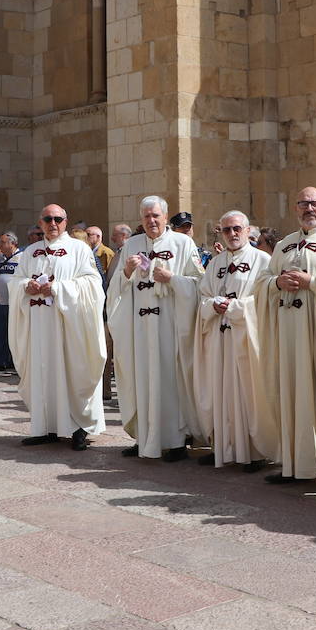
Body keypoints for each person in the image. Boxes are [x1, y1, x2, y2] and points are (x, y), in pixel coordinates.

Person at [257, 188, 316, 492]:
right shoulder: (285, 245)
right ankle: (295, 466)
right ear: (295, 208)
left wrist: (313, 282)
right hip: (288, 335)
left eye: (314, 203)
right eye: (303, 203)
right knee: (290, 395)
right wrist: (276, 282)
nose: (308, 208)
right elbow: (261, 281)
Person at [108, 195, 205, 461]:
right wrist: (126, 273)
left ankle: (174, 441)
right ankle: (145, 437)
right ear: (141, 219)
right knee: (141, 377)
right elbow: (115, 288)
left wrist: (172, 279)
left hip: (169, 326)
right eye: (146, 216)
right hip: (140, 325)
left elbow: (200, 284)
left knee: (169, 380)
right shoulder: (132, 245)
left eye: (156, 216)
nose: (151, 220)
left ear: (165, 216)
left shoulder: (183, 243)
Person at [9, 204, 107, 450]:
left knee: (71, 372)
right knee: (42, 373)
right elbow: (15, 281)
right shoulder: (30, 252)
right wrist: (25, 286)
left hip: (67, 326)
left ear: (65, 221)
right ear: (40, 223)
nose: (53, 223)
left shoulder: (79, 249)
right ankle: (47, 427)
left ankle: (77, 428)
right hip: (39, 326)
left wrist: (59, 288)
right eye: (47, 219)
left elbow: (93, 284)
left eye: (58, 219)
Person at [192, 210, 272, 469]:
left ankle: (254, 452)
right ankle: (223, 447)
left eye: (237, 228)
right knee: (221, 393)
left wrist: (236, 308)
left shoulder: (263, 261)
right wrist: (211, 306)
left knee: (248, 393)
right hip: (220, 340)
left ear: (248, 230)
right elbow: (203, 296)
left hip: (246, 338)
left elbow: (264, 300)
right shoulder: (215, 264)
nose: (232, 234)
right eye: (226, 230)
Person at [0, 232, 19, 372]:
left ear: (12, 244)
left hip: (15, 303)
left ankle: (14, 361)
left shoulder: (22, 258)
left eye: (2, 242)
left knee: (14, 333)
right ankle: (0, 361)